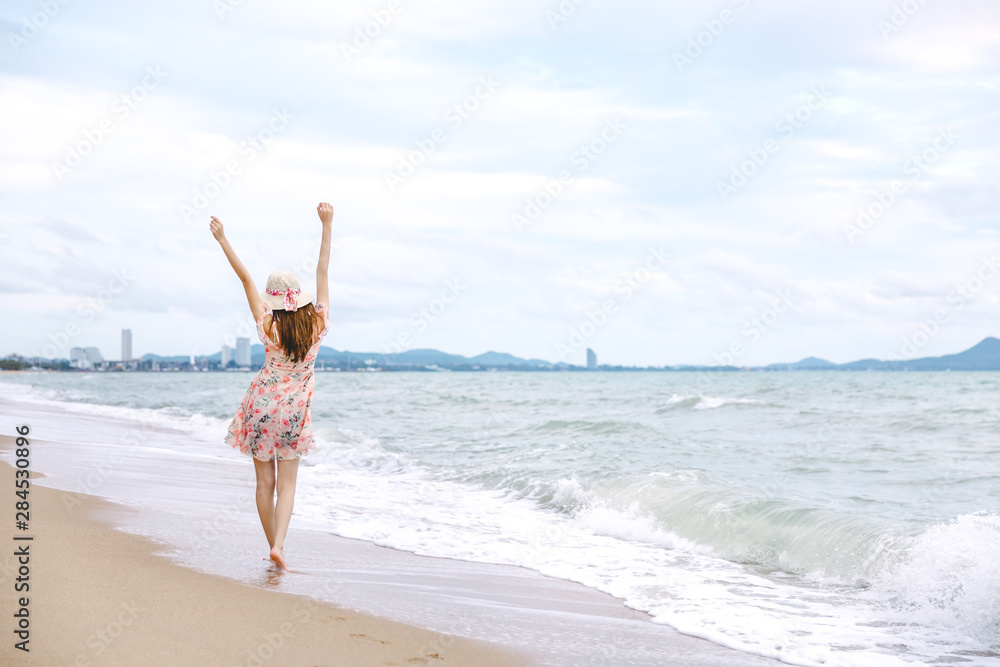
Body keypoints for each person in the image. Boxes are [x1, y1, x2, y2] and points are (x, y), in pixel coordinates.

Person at [209, 202, 334, 572]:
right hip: (294, 413)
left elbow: (245, 279)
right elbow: (322, 267)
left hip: (261, 407)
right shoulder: (318, 324)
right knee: (288, 485)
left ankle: (275, 552)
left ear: (273, 300)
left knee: (264, 482)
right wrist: (327, 223)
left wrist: (223, 239)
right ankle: (279, 544)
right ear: (301, 299)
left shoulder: (267, 325)